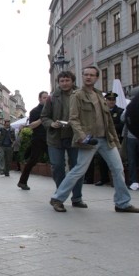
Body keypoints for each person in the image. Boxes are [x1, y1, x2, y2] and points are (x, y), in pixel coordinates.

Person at [49, 66, 139, 213]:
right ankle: (57, 198)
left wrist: (115, 139)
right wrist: (82, 136)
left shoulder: (99, 95)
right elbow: (73, 119)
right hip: (89, 140)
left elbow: (108, 120)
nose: (88, 77)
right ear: (82, 77)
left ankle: (122, 203)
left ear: (96, 77)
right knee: (78, 170)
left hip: (106, 139)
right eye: (86, 75)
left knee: (118, 169)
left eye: (91, 75)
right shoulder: (77, 95)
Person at [41, 71, 86, 208]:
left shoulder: (80, 94)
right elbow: (44, 117)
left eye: (67, 80)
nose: (64, 83)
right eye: (62, 81)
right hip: (56, 138)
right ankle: (59, 196)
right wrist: (51, 124)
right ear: (58, 82)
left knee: (77, 168)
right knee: (57, 167)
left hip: (75, 137)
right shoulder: (52, 98)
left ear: (72, 81)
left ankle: (77, 198)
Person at [17, 91, 49, 190]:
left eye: (47, 98)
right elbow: (31, 125)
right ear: (39, 99)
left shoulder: (50, 110)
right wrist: (41, 119)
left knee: (56, 160)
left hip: (49, 139)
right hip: (38, 139)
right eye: (44, 97)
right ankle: (22, 182)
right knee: (33, 161)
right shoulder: (35, 111)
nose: (46, 99)